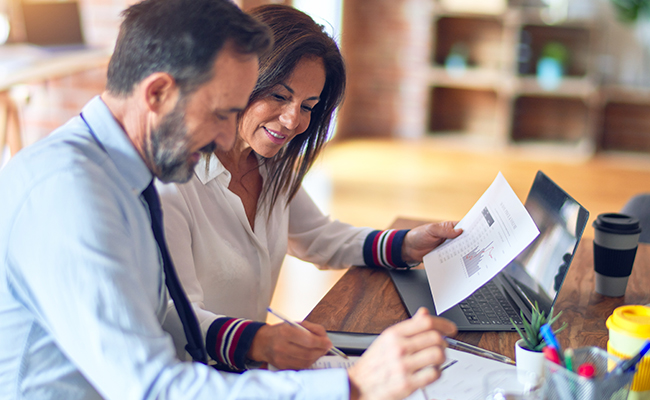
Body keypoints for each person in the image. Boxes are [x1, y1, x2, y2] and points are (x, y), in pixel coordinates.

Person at [0, 0, 457, 399]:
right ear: (157, 93)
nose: (226, 135)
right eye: (222, 113)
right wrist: (353, 386)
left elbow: (162, 314)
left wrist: (261, 346)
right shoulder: (74, 197)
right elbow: (155, 387)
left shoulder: (123, 170)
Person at [158, 4, 462, 372]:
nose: (293, 121)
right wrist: (262, 341)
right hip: (197, 380)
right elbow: (175, 315)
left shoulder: (270, 164)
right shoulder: (172, 183)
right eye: (279, 96)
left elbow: (316, 236)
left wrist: (405, 243)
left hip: (251, 366)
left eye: (308, 106)